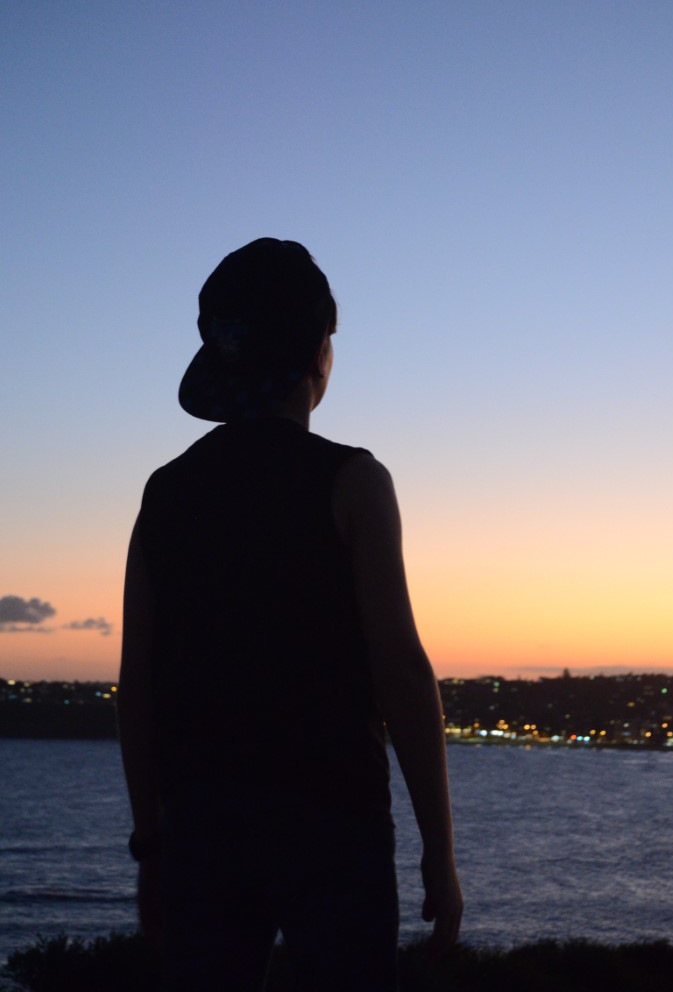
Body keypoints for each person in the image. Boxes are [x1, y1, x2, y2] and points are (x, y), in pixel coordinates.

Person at [118, 238, 462, 992]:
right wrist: (439, 850)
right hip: (336, 826)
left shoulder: (166, 492)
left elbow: (137, 686)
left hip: (203, 829)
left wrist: (152, 846)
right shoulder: (354, 481)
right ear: (317, 357)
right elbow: (402, 672)